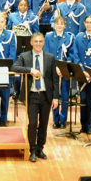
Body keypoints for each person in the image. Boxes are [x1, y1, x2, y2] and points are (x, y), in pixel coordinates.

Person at [12, 33, 60, 161]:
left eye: (41, 41)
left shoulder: (50, 57)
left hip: (46, 96)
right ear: (31, 43)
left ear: (43, 43)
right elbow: (14, 67)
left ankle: (40, 149)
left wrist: (55, 97)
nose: (38, 44)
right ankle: (32, 149)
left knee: (44, 124)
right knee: (33, 123)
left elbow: (55, 80)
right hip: (32, 95)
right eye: (36, 41)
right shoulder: (24, 56)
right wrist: (30, 70)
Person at [44, 14, 76, 128]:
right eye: (57, 23)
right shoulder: (48, 36)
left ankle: (63, 120)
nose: (59, 26)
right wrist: (55, 67)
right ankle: (55, 119)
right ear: (54, 25)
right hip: (52, 69)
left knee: (64, 94)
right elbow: (46, 54)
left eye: (61, 24)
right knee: (54, 94)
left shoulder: (70, 37)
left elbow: (72, 54)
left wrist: (64, 67)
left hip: (65, 69)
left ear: (65, 25)